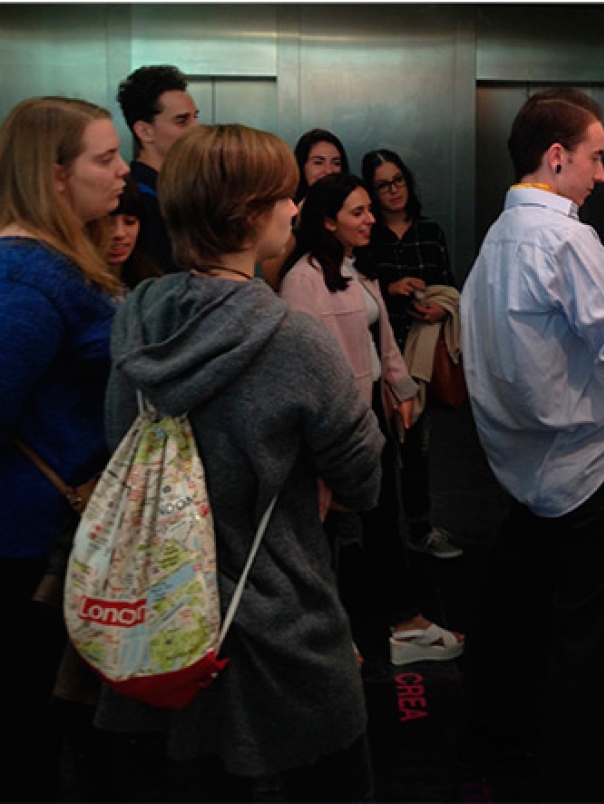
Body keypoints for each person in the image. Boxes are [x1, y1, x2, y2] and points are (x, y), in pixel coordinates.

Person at [95, 123, 385, 802]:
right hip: (281, 627)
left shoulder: (137, 322)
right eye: (283, 196)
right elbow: (364, 478)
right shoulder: (294, 340)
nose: (294, 208)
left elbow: (118, 441)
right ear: (248, 214)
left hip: (158, 624)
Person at [458, 88, 604, 802]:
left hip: (526, 472)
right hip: (592, 467)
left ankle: (515, 754)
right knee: (589, 641)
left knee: (533, 624)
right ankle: (581, 779)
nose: (601, 174)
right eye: (595, 158)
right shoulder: (566, 239)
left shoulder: (497, 239)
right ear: (557, 156)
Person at [280, 172, 465, 666]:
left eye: (369, 210)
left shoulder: (356, 268)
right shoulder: (303, 280)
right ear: (328, 221)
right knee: (328, 530)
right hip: (336, 425)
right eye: (357, 212)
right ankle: (329, 637)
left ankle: (404, 623)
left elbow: (378, 341)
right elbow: (303, 365)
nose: (369, 220)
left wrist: (400, 389)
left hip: (371, 418)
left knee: (384, 518)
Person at [0, 95, 129, 802]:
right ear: (54, 175)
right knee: (30, 735)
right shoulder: (26, 276)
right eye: (105, 159)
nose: (123, 170)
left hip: (50, 541)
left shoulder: (54, 262)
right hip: (25, 551)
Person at [361, 148, 463, 559]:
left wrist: (441, 307)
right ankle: (380, 535)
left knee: (418, 445)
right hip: (379, 350)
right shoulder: (367, 235)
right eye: (383, 185)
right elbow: (357, 290)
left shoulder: (430, 231)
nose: (393, 190)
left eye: (398, 180)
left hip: (423, 347)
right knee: (380, 445)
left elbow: (449, 283)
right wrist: (391, 289)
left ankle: (420, 526)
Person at [116, 64, 198, 273]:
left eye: (195, 118)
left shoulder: (180, 190)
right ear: (145, 131)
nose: (196, 129)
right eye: (182, 121)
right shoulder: (137, 197)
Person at [261, 128, 349, 291]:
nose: (329, 171)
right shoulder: (285, 207)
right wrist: (301, 220)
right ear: (302, 166)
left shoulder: (352, 208)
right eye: (318, 162)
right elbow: (271, 278)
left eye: (336, 163)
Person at [106, 173, 162, 294]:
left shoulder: (153, 287)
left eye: (130, 222)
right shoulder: (76, 284)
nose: (119, 233)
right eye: (109, 223)